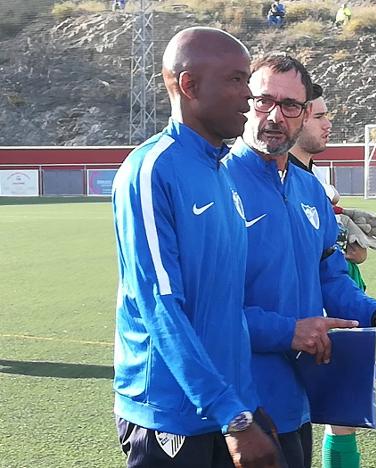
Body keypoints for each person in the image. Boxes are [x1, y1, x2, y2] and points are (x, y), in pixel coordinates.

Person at [223, 53, 376, 468]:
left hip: (296, 400)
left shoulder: (310, 191)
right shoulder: (215, 182)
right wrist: (287, 331)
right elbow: (203, 310)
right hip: (233, 408)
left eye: (289, 106)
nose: (274, 116)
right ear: (245, 101)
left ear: (303, 113)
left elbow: (332, 280)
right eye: (262, 101)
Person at [111, 27, 279, 468]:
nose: (249, 95)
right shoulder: (152, 170)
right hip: (171, 413)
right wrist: (233, 416)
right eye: (236, 80)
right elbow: (160, 303)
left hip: (225, 409)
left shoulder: (221, 171)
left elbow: (226, 306)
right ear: (189, 86)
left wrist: (244, 403)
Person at [289, 83, 376, 467]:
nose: (329, 123)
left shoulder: (318, 184)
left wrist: (345, 229)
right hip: (308, 314)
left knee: (340, 417)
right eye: (320, 115)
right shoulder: (281, 180)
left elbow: (352, 258)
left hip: (345, 302)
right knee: (311, 421)